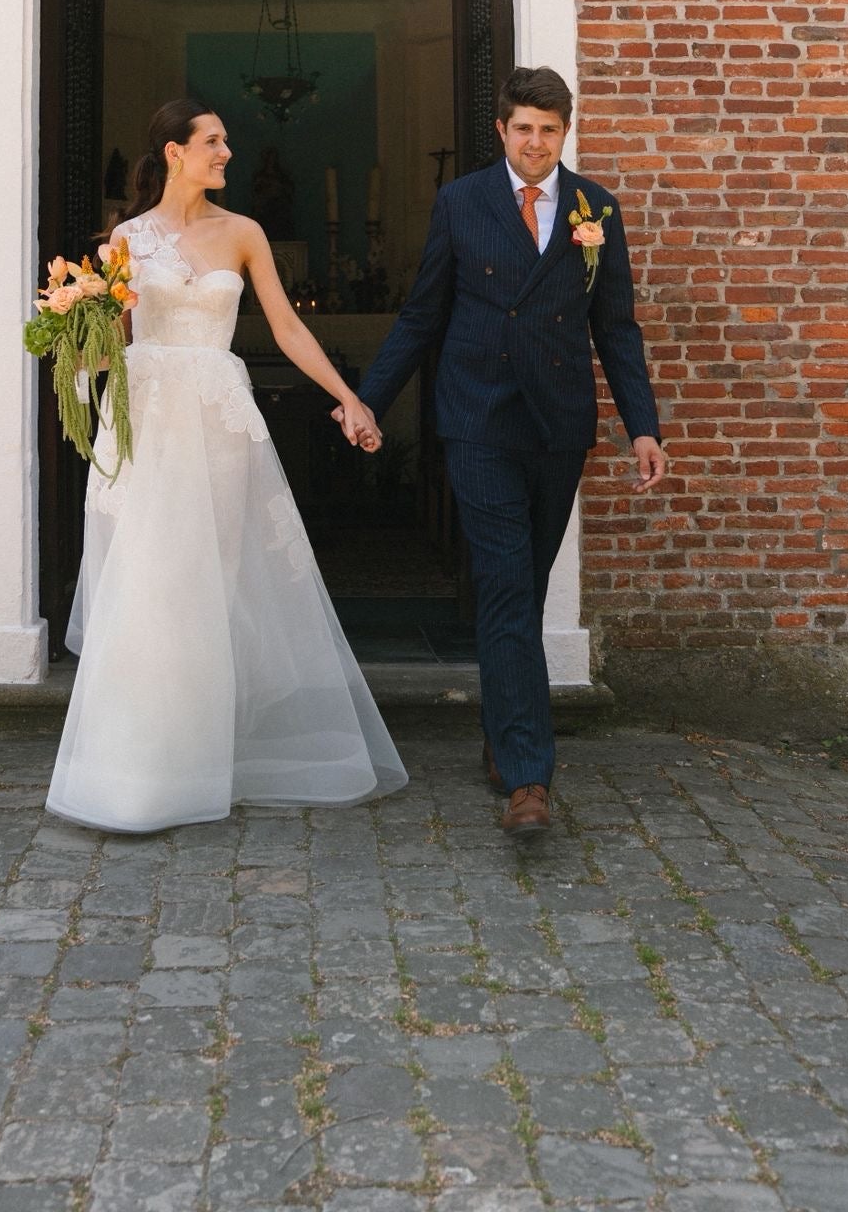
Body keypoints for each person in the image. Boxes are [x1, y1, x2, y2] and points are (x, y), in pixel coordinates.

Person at [46, 97, 407, 833]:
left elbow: (286, 325)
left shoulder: (244, 232)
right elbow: (103, 344)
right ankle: (141, 769)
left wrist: (351, 399)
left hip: (215, 420)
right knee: (150, 583)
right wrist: (69, 325)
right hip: (145, 423)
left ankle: (206, 758)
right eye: (214, 141)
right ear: (175, 152)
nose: (227, 153)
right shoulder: (125, 241)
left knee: (213, 580)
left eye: (226, 141)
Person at [341, 67, 664, 842]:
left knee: (522, 580)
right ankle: (528, 777)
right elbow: (423, 315)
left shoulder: (597, 211)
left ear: (565, 132)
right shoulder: (462, 202)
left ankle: (504, 727)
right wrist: (368, 399)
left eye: (550, 130)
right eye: (523, 128)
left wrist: (642, 426)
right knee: (505, 588)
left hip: (558, 427)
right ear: (502, 131)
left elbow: (615, 327)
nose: (536, 142)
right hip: (479, 420)